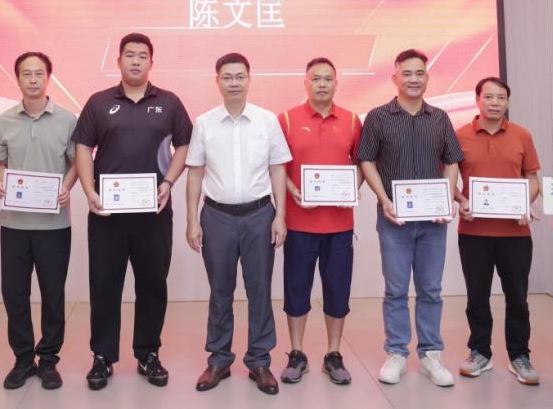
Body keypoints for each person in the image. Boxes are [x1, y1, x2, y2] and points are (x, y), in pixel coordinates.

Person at [72, 33, 192, 390]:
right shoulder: (99, 102)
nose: (136, 61)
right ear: (119, 61)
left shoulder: (169, 102)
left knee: (152, 284)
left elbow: (185, 144)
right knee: (104, 284)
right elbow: (83, 147)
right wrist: (89, 191)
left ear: (151, 62)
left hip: (154, 213)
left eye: (142, 56)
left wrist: (168, 182)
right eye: (129, 55)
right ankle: (102, 356)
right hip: (107, 214)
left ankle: (148, 353)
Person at [357, 48, 464, 387]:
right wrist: (384, 199)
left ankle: (431, 354)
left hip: (433, 223)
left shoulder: (440, 118)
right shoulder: (378, 117)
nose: (414, 79)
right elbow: (366, 160)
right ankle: (397, 353)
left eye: (420, 73)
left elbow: (452, 160)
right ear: (395, 78)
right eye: (407, 73)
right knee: (396, 290)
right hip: (394, 221)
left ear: (427, 78)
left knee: (431, 289)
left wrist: (445, 199)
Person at [186, 53, 291, 395]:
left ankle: (259, 361)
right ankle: (219, 359)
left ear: (249, 79)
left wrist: (280, 216)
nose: (234, 82)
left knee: (259, 289)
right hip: (216, 217)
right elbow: (195, 173)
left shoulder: (266, 121)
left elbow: (278, 169)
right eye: (227, 77)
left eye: (240, 76)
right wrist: (192, 220)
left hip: (259, 215)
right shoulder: (204, 123)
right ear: (217, 81)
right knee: (220, 290)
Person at [0, 52, 77, 391]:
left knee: (52, 294)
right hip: (14, 223)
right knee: (14, 294)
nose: (32, 79)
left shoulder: (67, 120)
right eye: (26, 74)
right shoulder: (3, 121)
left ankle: (49, 360)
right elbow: (2, 163)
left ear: (48, 77)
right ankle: (23, 359)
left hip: (54, 224)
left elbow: (76, 163)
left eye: (38, 73)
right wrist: (1, 180)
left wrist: (67, 187)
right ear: (17, 78)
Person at [278, 58, 362, 386]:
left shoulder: (352, 120)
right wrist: (292, 190)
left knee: (337, 290)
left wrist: (351, 189)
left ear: (336, 83)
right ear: (306, 83)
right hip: (299, 223)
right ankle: (297, 353)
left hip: (339, 226)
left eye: (328, 79)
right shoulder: (286, 119)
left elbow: (362, 164)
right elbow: (277, 166)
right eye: (316, 79)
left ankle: (333, 354)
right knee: (296, 289)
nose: (322, 84)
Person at [455, 77, 542, 385]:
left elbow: (533, 179)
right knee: (477, 296)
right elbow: (448, 179)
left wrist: (525, 203)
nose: (495, 103)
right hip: (473, 232)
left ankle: (520, 356)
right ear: (477, 99)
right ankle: (480, 352)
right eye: (489, 97)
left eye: (501, 97)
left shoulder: (522, 135)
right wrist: (462, 201)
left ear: (507, 101)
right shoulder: (460, 135)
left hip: (515, 234)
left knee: (517, 297)